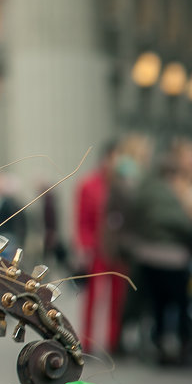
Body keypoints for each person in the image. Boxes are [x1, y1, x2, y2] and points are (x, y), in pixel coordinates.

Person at [127, 138, 192, 365]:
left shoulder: (146, 187)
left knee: (158, 306)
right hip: (175, 257)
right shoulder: (180, 191)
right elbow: (188, 223)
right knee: (181, 303)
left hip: (148, 255)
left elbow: (135, 216)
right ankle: (183, 345)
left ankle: (162, 345)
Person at [73, 140, 129, 356]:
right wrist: (85, 245)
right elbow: (82, 219)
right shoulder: (89, 185)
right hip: (97, 249)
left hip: (118, 249)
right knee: (93, 298)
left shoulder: (123, 184)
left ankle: (114, 341)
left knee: (118, 297)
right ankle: (86, 342)